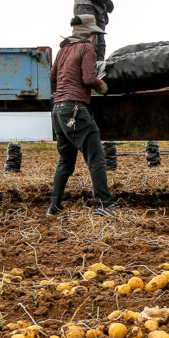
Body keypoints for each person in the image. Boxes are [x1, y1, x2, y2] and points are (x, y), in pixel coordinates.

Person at [47, 15, 117, 217]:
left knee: (66, 161)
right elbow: (88, 77)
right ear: (89, 33)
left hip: (58, 110)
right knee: (95, 157)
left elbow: (52, 77)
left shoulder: (63, 49)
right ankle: (105, 204)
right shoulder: (87, 48)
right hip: (75, 109)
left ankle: (54, 206)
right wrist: (101, 85)